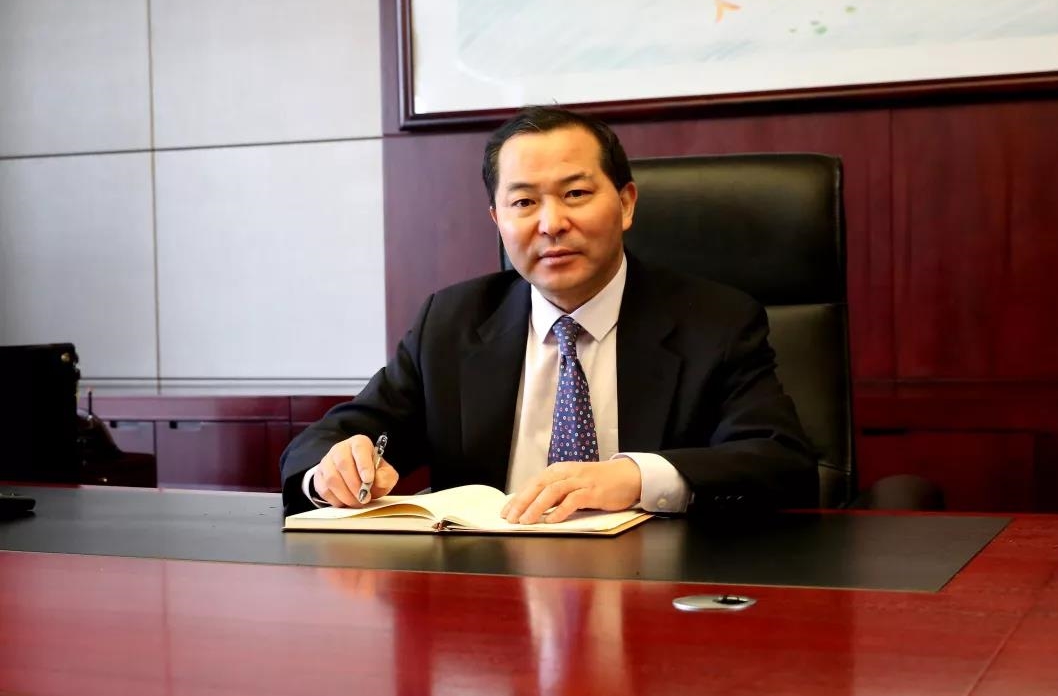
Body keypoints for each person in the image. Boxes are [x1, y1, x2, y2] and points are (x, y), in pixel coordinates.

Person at [280, 106, 817, 519]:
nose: (551, 223)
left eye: (575, 193)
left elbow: (781, 463)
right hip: (486, 595)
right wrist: (330, 470)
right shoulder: (452, 322)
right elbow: (329, 439)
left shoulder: (714, 321)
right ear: (498, 220)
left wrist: (636, 477)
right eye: (523, 202)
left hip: (653, 591)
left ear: (626, 203)